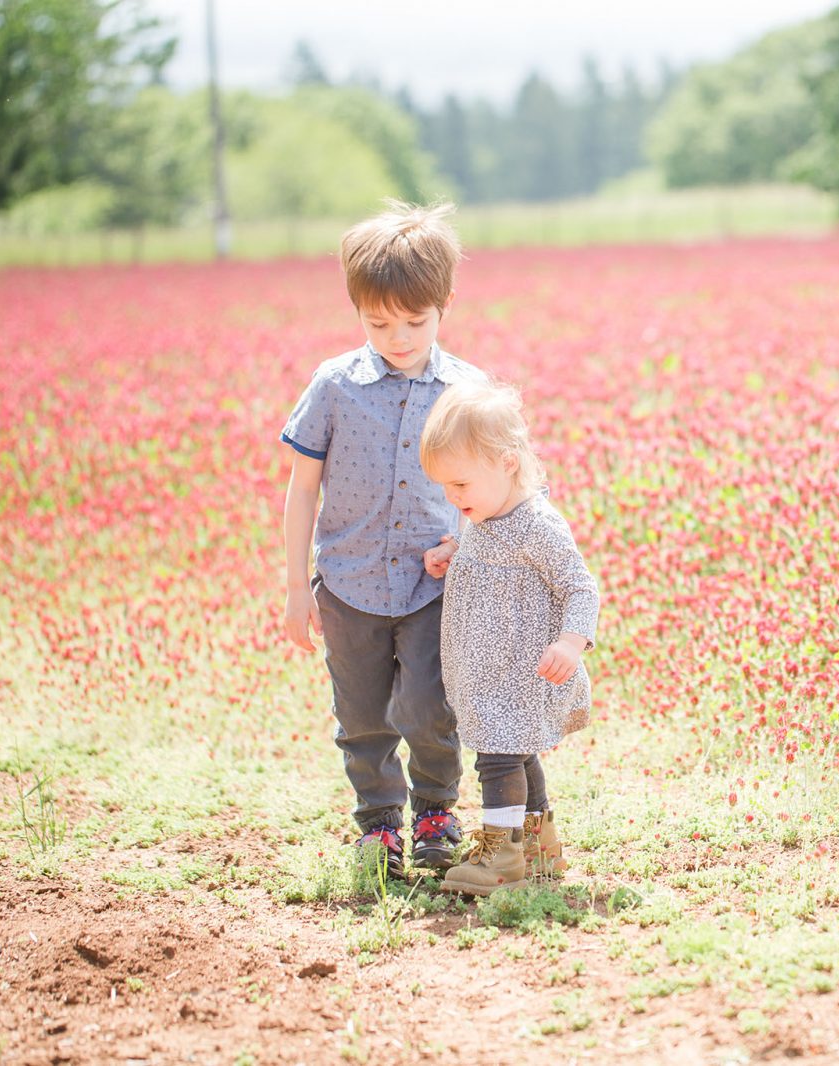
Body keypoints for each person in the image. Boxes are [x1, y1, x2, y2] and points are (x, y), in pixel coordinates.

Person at [280, 201, 484, 877]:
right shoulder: (334, 386)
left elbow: (492, 496)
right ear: (358, 310)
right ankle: (378, 824)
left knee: (429, 705)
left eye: (414, 321)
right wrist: (293, 590)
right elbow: (302, 487)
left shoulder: (464, 391)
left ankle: (434, 811)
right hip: (348, 583)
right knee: (363, 714)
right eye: (378, 322)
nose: (397, 336)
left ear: (445, 304)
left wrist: (466, 544)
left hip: (432, 586)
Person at [418, 380, 599, 895]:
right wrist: (452, 549)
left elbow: (580, 588)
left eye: (460, 485)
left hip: (519, 674)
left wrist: (570, 642)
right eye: (445, 488)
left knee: (499, 758)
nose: (453, 498)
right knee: (519, 755)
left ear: (506, 463)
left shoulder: (538, 525)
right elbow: (481, 545)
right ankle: (542, 849)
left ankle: (502, 853)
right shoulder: (485, 512)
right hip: (487, 672)